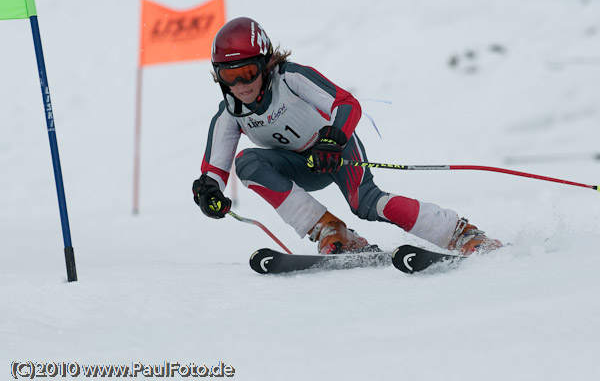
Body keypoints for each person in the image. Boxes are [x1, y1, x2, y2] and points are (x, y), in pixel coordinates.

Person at [192, 17, 501, 255]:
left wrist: (332, 138)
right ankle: (331, 230)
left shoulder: (290, 77)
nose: (241, 85)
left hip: (334, 152)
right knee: (247, 162)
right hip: (298, 166)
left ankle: (462, 234)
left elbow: (347, 104)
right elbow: (214, 170)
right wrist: (209, 192)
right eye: (229, 76)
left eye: (247, 72)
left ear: (266, 63)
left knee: (366, 203)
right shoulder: (229, 112)